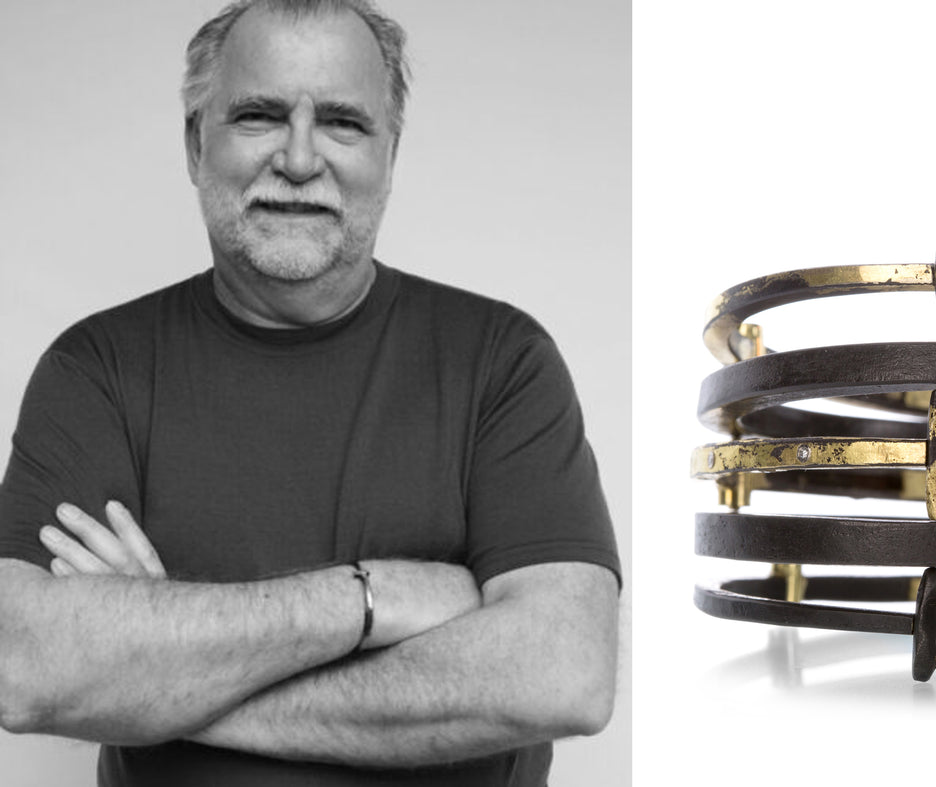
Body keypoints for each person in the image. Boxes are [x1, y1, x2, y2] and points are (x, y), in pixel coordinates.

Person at [0, 1, 621, 785]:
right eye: (259, 116)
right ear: (197, 144)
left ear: (390, 154)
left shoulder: (502, 360)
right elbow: (23, 667)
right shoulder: (96, 367)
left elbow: (563, 671)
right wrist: (368, 600)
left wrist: (157, 680)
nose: (299, 159)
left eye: (342, 122)